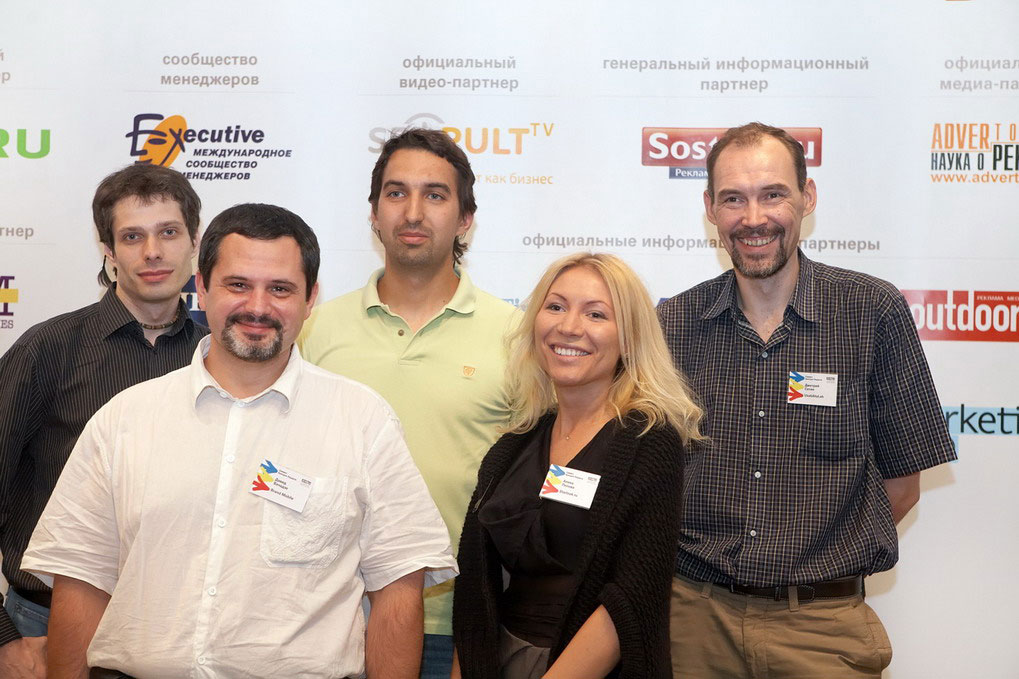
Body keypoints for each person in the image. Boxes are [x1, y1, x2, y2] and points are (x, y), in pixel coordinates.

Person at [22, 203, 457, 679]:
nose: (258, 307)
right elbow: (81, 579)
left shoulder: (363, 421)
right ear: (202, 287)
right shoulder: (123, 419)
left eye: (280, 289)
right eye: (238, 285)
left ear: (311, 298)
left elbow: (398, 583)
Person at [657, 122, 957, 678]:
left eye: (773, 194)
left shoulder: (872, 311)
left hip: (822, 630)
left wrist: (810, 560)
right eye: (733, 199)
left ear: (807, 197)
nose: (753, 218)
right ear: (710, 208)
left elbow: (902, 487)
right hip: (692, 624)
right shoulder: (673, 324)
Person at [299, 128, 516, 678]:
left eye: (435, 195)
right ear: (374, 213)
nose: (413, 212)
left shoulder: (516, 336)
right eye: (396, 193)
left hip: (459, 622)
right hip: (327, 617)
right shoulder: (314, 329)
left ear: (466, 219)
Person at [453, 252, 703, 679]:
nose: (569, 326)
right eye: (555, 306)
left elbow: (631, 595)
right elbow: (477, 586)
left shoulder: (649, 442)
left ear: (629, 337)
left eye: (596, 314)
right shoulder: (514, 445)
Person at [0, 163, 206, 679]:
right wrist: (2, 638)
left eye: (169, 232)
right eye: (133, 236)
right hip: (45, 627)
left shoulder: (216, 358)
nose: (153, 252)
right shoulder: (47, 350)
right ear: (109, 251)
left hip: (182, 633)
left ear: (195, 242)